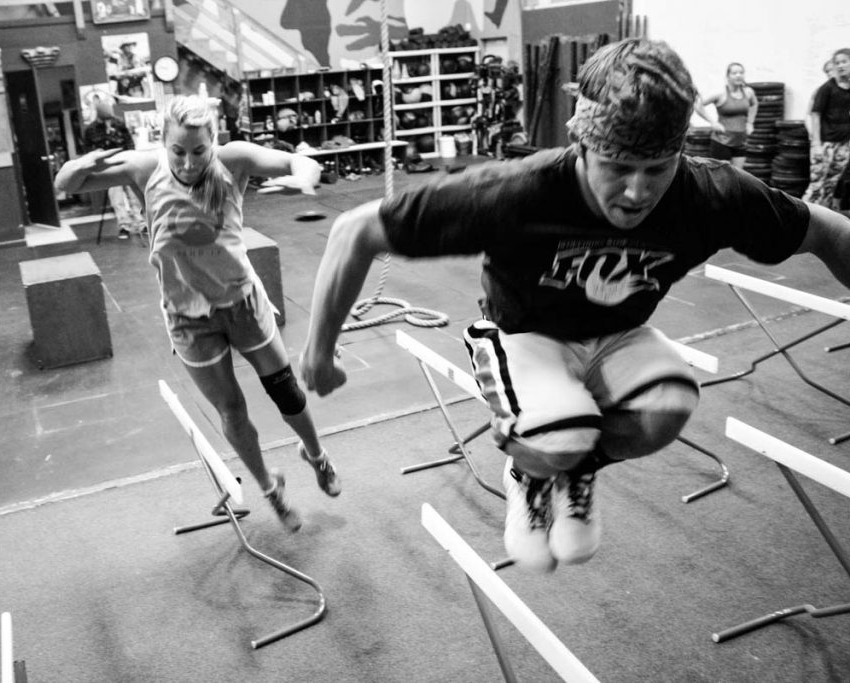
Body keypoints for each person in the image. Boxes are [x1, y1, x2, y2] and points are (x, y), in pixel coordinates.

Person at [299, 38, 850, 573]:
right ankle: (530, 473)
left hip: (618, 338)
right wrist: (319, 353)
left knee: (669, 406)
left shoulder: (710, 194)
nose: (636, 192)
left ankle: (576, 466)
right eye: (617, 166)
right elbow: (356, 231)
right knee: (558, 435)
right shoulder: (519, 192)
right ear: (583, 146)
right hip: (523, 336)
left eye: (656, 169)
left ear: (678, 154)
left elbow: (828, 230)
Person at [55, 95, 339, 531]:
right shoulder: (145, 169)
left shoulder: (234, 160)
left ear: (214, 142)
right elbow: (66, 184)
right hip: (188, 319)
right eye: (178, 152)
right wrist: (85, 162)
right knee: (231, 409)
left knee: (285, 392)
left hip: (242, 303)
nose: (188, 164)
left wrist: (302, 180)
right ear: (164, 144)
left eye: (199, 152)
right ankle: (269, 488)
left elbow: (298, 162)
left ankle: (316, 456)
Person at [82, 95, 146, 239]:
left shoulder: (119, 123)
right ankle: (124, 226)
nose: (108, 121)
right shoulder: (91, 130)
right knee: (116, 199)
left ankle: (142, 223)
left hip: (125, 163)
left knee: (134, 196)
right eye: (106, 119)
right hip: (108, 167)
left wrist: (131, 157)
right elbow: (88, 150)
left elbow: (130, 143)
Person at [803, 48, 850, 211]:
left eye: (844, 61)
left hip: (844, 144)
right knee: (816, 186)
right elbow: (814, 115)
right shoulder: (826, 88)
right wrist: (816, 143)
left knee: (831, 184)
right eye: (837, 63)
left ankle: (825, 222)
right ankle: (803, 217)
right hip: (825, 144)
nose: (841, 65)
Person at [693, 62, 757, 169]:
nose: (738, 75)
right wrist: (712, 122)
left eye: (741, 72)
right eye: (734, 73)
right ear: (727, 77)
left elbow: (754, 104)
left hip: (740, 141)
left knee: (738, 176)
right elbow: (698, 105)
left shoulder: (748, 92)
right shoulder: (720, 93)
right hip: (722, 142)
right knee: (723, 177)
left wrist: (750, 122)